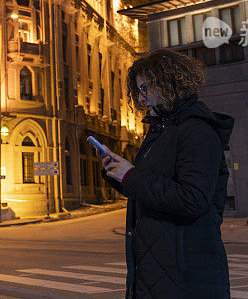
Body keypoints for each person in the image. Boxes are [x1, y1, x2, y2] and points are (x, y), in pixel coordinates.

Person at [96, 49, 234, 298]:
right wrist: (118, 173)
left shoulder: (196, 131)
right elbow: (151, 190)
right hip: (156, 271)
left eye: (145, 88)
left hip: (186, 276)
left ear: (169, 84)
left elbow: (192, 199)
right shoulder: (161, 132)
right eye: (138, 90)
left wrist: (131, 176)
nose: (140, 98)